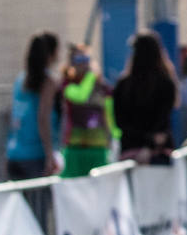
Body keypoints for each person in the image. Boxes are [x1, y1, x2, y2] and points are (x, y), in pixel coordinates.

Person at [112, 31, 179, 165]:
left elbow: (120, 122)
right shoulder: (166, 83)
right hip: (159, 151)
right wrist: (150, 143)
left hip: (129, 151)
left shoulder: (123, 84)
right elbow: (162, 120)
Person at [6, 31, 61, 180]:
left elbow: (12, 115)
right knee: (42, 202)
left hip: (14, 154)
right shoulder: (47, 81)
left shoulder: (20, 79)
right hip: (34, 156)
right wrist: (49, 154)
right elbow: (43, 118)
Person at [59, 44, 115, 177]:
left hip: (98, 146)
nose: (84, 64)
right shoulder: (68, 84)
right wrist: (90, 77)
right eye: (79, 60)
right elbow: (80, 96)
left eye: (86, 59)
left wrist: (113, 137)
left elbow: (109, 113)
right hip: (75, 146)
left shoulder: (101, 85)